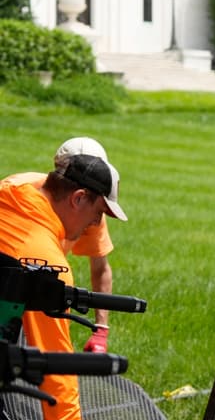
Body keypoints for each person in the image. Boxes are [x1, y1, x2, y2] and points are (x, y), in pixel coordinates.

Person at [0, 153, 127, 420]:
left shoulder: (13, 186)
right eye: (97, 213)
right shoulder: (45, 264)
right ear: (78, 198)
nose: (95, 223)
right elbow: (56, 373)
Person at [3, 137, 118, 354]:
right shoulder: (18, 188)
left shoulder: (91, 210)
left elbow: (100, 268)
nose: (96, 220)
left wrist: (100, 330)